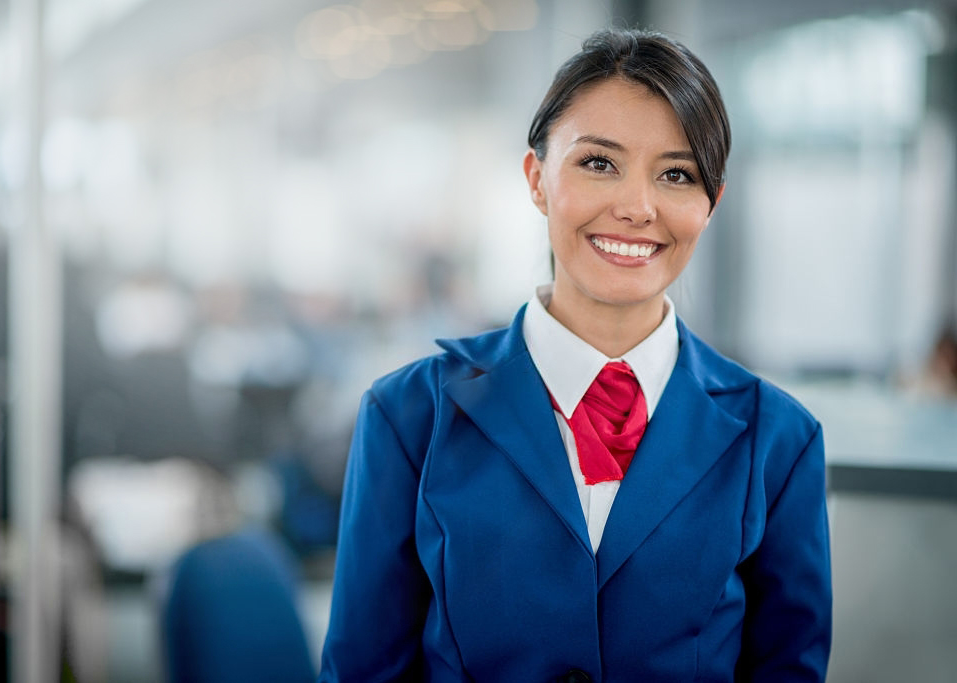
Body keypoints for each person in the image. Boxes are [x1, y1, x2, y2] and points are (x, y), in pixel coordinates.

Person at [319, 28, 831, 683]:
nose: (636, 207)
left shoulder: (779, 441)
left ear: (711, 206)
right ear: (536, 179)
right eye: (598, 163)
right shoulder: (409, 418)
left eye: (677, 174)